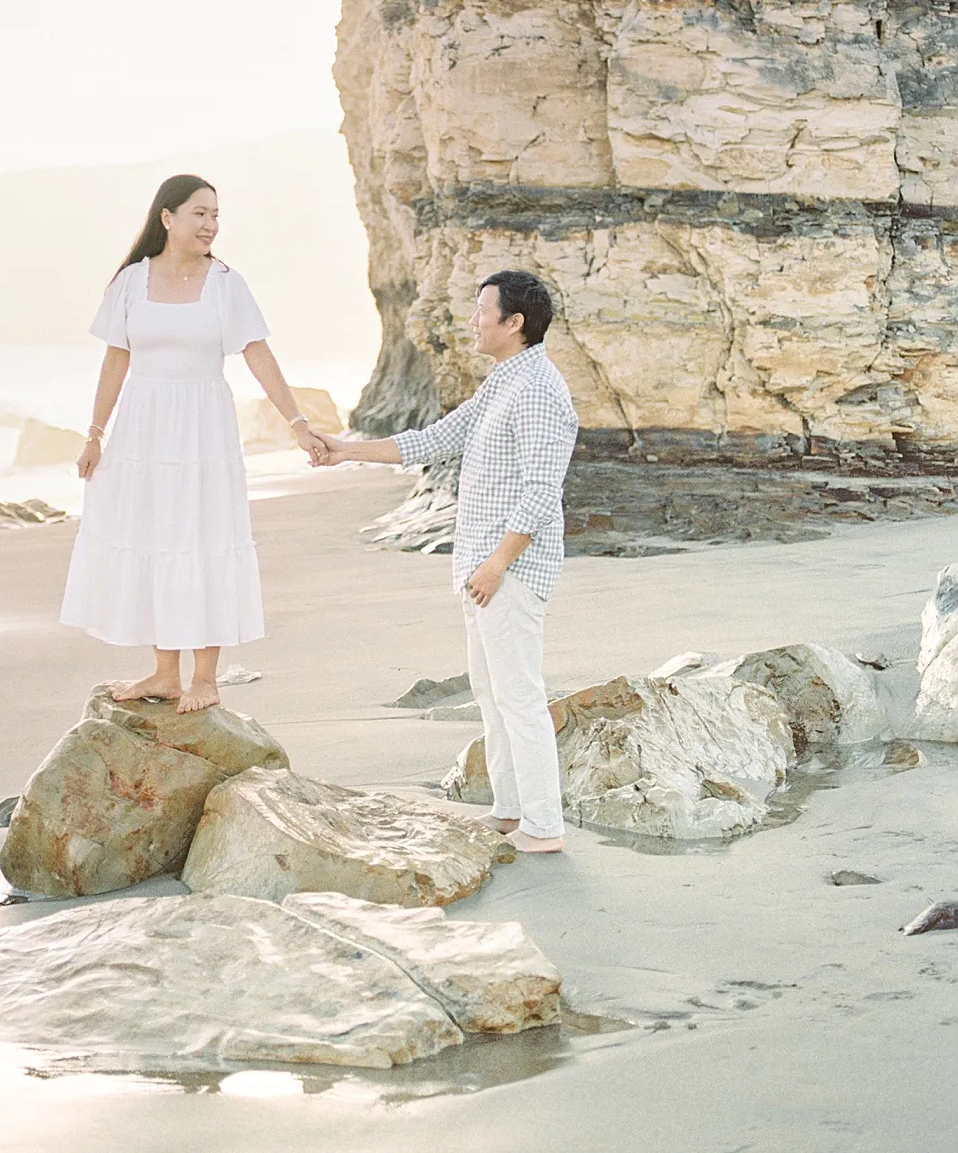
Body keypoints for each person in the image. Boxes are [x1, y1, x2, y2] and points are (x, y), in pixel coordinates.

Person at [317, 270, 577, 852]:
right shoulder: (501, 384)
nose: (472, 319)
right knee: (492, 694)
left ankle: (544, 825)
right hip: (483, 571)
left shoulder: (537, 389)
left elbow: (542, 489)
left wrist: (497, 564)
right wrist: (344, 451)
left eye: (483, 309)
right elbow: (429, 441)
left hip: (507, 572)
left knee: (520, 697)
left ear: (515, 323)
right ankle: (511, 811)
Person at [61, 173, 327, 712]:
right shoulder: (131, 282)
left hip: (204, 426)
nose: (210, 224)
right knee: (158, 536)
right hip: (143, 428)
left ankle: (205, 677)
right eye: (199, 214)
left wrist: (297, 422)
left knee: (205, 536)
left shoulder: (226, 283)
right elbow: (116, 358)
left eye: (215, 215)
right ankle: (165, 672)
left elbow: (258, 354)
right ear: (167, 217)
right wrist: (94, 434)